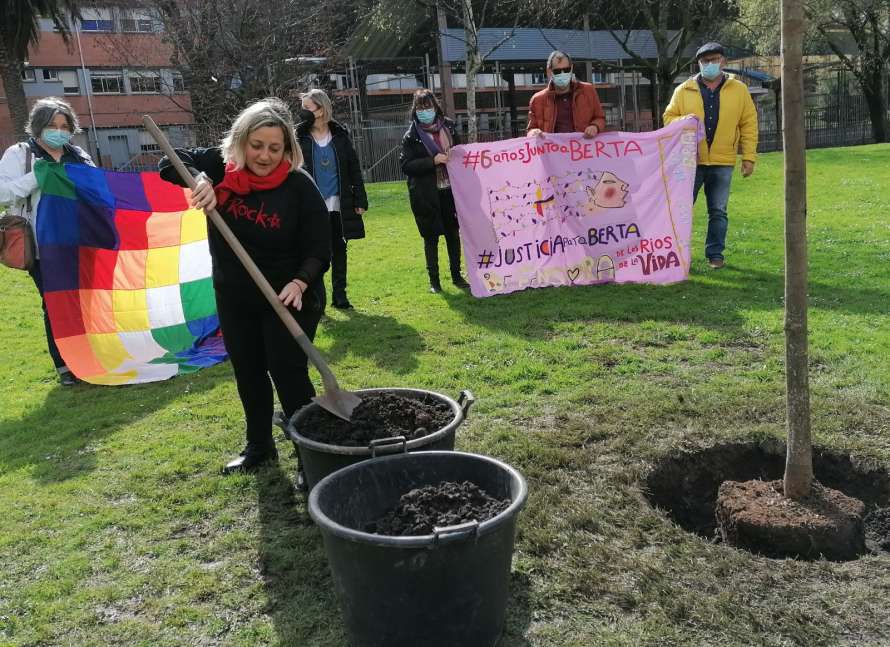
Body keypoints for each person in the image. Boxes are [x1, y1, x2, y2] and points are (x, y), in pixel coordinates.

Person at [159, 98, 331, 474]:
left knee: (287, 372)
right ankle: (259, 447)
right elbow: (168, 162)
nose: (265, 156)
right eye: (256, 146)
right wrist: (199, 178)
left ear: (288, 149)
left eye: (275, 148)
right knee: (248, 371)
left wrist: (301, 282)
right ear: (240, 142)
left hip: (288, 297)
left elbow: (320, 248)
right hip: (236, 296)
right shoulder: (220, 169)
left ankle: (309, 455)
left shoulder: (298, 187)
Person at [0, 97, 95, 386]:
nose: (59, 130)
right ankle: (65, 365)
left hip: (81, 242)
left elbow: (97, 190)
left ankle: (90, 357)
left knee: (85, 302)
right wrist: (35, 178)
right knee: (55, 303)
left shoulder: (77, 154)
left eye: (64, 125)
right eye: (52, 125)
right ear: (38, 126)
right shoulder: (20, 154)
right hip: (43, 247)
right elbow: (3, 194)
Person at [663, 42, 758, 269]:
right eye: (705, 61)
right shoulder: (683, 90)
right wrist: (685, 121)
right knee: (680, 209)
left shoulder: (740, 90)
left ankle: (715, 255)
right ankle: (676, 253)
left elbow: (749, 124)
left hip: (723, 161)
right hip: (690, 162)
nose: (709, 64)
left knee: (718, 211)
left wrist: (748, 157)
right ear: (698, 63)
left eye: (714, 59)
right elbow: (668, 118)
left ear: (723, 61)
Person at [296, 89, 368, 310]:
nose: (303, 112)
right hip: (311, 205)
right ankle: (317, 299)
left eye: (308, 108)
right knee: (315, 252)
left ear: (321, 109)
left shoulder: (340, 135)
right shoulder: (298, 136)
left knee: (339, 250)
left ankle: (340, 295)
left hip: (338, 202)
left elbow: (354, 168)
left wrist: (360, 199)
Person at [399, 89, 469, 293]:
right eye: (420, 107)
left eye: (428, 106)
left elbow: (462, 152)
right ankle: (434, 282)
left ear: (435, 106)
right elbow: (406, 165)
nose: (425, 111)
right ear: (415, 110)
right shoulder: (411, 136)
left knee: (452, 235)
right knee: (430, 237)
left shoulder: (449, 126)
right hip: (426, 194)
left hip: (451, 191)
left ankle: (457, 276)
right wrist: (432, 161)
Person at [527, 50, 606, 138]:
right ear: (549, 71)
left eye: (566, 70)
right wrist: (533, 132)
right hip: (552, 151)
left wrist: (595, 126)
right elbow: (531, 130)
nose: (562, 74)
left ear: (571, 68)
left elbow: (600, 118)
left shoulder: (588, 91)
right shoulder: (537, 100)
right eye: (557, 71)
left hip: (583, 150)